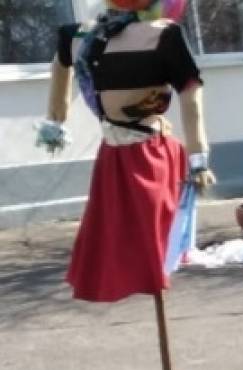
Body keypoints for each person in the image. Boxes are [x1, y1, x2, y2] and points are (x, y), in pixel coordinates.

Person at [38, 0, 214, 302]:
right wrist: (198, 158)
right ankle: (151, 274)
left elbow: (59, 68)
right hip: (127, 156)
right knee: (125, 241)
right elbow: (191, 95)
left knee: (150, 242)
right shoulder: (156, 35)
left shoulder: (88, 36)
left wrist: (55, 119)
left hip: (146, 155)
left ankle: (154, 274)